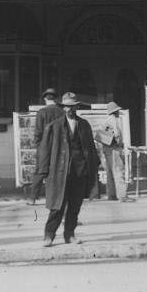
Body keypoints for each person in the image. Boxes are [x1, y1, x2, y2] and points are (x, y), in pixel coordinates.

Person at [35, 91, 98, 246]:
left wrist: (93, 168)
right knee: (57, 206)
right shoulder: (54, 126)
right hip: (59, 173)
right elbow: (44, 151)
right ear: (63, 108)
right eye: (67, 107)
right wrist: (44, 172)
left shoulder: (84, 125)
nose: (70, 110)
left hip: (79, 172)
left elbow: (91, 148)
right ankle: (49, 235)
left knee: (75, 206)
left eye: (73, 107)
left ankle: (69, 235)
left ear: (77, 107)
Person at [31, 88, 63, 202]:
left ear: (45, 99)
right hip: (59, 145)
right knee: (57, 171)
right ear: (56, 99)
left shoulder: (41, 112)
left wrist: (38, 145)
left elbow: (38, 131)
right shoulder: (62, 111)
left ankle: (33, 198)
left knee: (40, 171)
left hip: (44, 145)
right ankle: (55, 197)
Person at [96, 109, 126, 201]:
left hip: (106, 148)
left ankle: (111, 195)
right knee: (118, 171)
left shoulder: (106, 120)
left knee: (109, 172)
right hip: (114, 148)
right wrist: (120, 143)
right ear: (115, 111)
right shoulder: (114, 119)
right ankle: (122, 195)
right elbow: (117, 134)